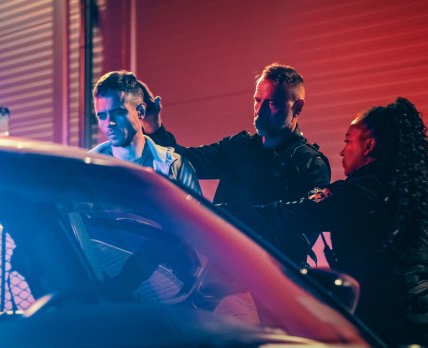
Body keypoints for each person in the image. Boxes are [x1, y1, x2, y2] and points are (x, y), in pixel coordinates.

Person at [251, 97, 428, 348]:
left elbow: (287, 216)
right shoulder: (411, 197)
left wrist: (219, 212)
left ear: (369, 145)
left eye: (348, 141)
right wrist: (415, 291)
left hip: (385, 334)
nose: (342, 151)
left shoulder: (355, 194)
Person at [141, 63, 330, 263]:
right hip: (219, 267)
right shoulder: (239, 146)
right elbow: (181, 161)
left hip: (269, 281)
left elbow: (300, 240)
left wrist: (240, 218)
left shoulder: (310, 164)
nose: (260, 110)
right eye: (257, 100)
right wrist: (152, 124)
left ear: (298, 107)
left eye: (272, 103)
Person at [90, 71, 202, 196]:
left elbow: (196, 215)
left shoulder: (176, 166)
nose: (109, 122)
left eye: (118, 112)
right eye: (102, 116)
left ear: (140, 111)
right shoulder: (84, 170)